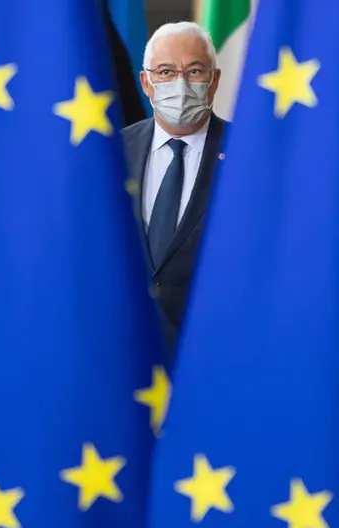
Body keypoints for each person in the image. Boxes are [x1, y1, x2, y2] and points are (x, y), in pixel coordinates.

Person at [122, 21, 229, 352]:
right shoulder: (112, 153)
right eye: (166, 72)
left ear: (214, 81)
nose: (180, 84)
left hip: (214, 350)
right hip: (124, 353)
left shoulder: (249, 155)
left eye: (194, 70)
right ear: (146, 83)